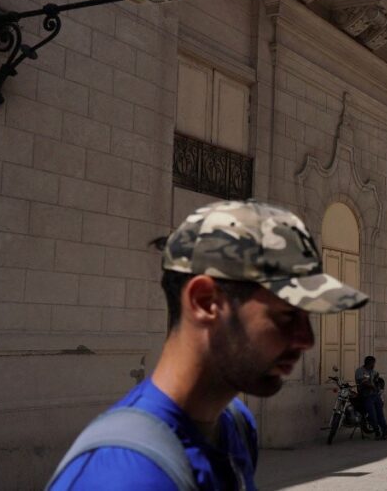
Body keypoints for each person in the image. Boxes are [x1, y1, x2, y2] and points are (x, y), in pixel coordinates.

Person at [46, 200, 368, 489]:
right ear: (204, 302)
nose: (307, 339)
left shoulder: (235, 425)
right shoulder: (124, 478)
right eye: (285, 316)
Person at [356, 356, 387, 440]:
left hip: (375, 395)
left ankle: (385, 432)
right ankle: (377, 432)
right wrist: (371, 386)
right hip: (366, 396)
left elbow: (377, 382)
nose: (374, 365)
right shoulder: (360, 371)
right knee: (372, 415)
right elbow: (363, 382)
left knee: (380, 415)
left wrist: (379, 386)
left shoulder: (374, 372)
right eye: (373, 363)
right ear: (369, 363)